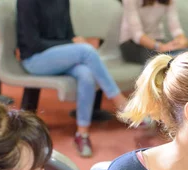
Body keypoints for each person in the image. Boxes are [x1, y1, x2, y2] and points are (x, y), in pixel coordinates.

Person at [17, 0, 130, 157]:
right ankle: (119, 100)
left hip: (58, 55)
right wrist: (71, 43)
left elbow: (68, 32)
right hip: (34, 59)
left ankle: (82, 134)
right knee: (87, 50)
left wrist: (72, 41)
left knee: (86, 74)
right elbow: (32, 43)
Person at [120, 0, 188, 65]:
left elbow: (175, 28)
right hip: (132, 44)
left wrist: (181, 40)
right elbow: (137, 35)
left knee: (185, 53)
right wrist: (161, 47)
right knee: (158, 59)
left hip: (158, 41)